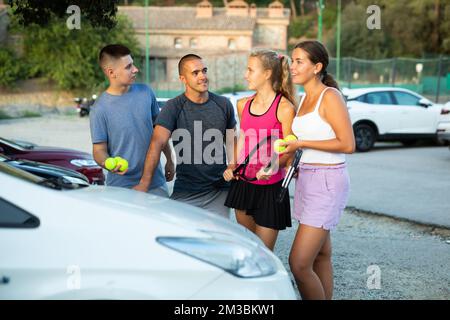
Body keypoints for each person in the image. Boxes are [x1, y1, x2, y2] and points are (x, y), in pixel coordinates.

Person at [279, 40, 355, 300]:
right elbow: (307, 144)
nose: (293, 66)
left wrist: (301, 143)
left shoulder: (330, 96)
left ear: (317, 67)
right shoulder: (302, 99)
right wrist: (291, 157)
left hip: (327, 182)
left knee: (299, 263)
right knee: (321, 255)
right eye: (292, 60)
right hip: (306, 179)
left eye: (299, 61)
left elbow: (347, 143)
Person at [133, 54, 236, 218]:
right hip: (186, 190)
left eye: (204, 71)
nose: (202, 76)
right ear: (183, 78)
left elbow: (232, 141)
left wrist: (232, 165)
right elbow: (156, 143)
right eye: (195, 73)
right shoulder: (173, 107)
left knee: (216, 239)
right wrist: (144, 184)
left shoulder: (223, 104)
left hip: (218, 191)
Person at [223, 49, 297, 251]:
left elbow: (290, 150)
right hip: (243, 185)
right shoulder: (242, 105)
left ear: (267, 74)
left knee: (264, 253)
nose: (245, 75)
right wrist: (232, 165)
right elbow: (243, 138)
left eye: (250, 70)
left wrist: (273, 165)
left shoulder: (285, 108)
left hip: (270, 189)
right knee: (247, 249)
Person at [90, 44, 173, 197]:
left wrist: (169, 159)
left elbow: (159, 133)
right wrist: (108, 163)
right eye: (128, 67)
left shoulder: (146, 92)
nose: (135, 69)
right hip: (120, 188)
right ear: (111, 72)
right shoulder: (99, 109)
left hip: (155, 183)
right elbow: (99, 151)